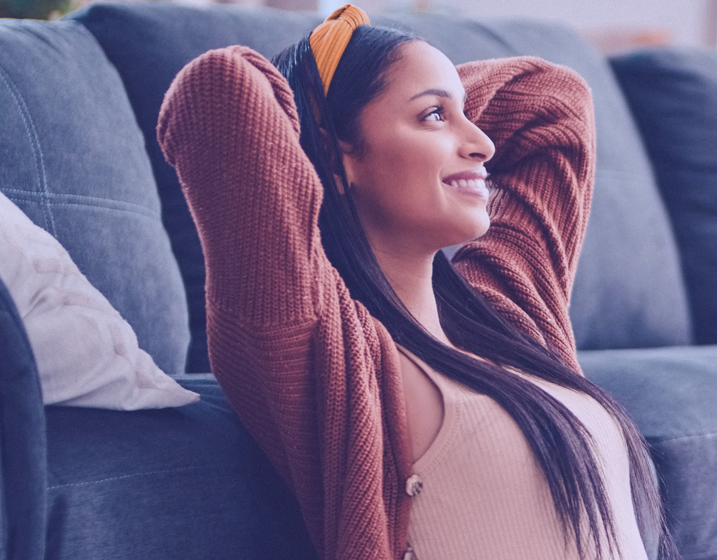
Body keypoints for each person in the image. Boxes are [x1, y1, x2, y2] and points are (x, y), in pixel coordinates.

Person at [156, 5, 666, 560]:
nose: (483, 144)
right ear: (332, 151)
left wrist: (428, 93)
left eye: (468, 116)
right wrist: (331, 101)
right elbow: (218, 89)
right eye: (434, 118)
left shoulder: (509, 313)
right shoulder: (323, 346)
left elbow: (554, 100)